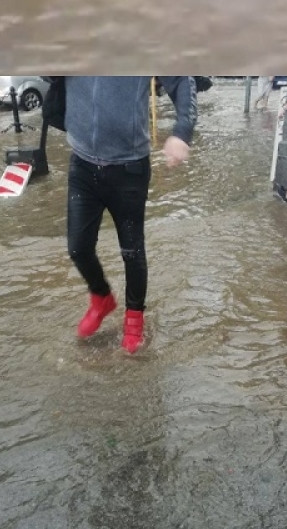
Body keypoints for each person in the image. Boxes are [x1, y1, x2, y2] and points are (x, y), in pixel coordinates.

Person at [65, 77, 197, 353]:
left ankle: (134, 318)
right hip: (82, 165)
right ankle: (101, 297)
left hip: (129, 169)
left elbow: (183, 80)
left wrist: (182, 131)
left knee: (132, 251)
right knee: (78, 247)